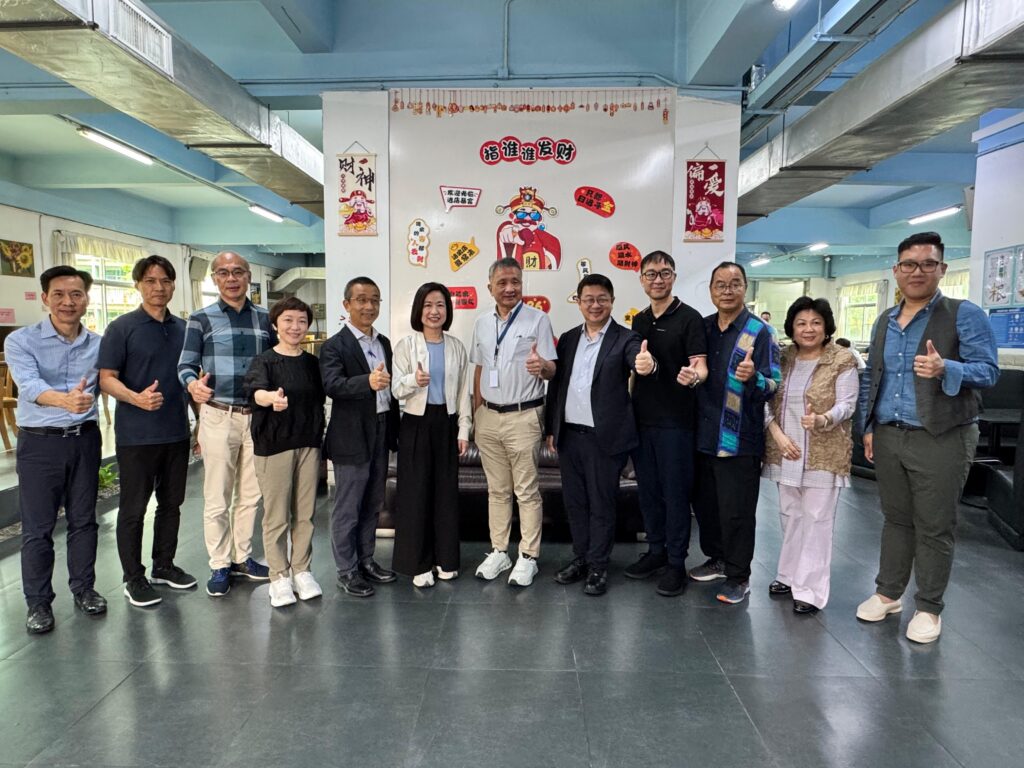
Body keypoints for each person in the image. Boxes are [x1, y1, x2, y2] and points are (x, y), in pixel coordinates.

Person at [856, 231, 999, 643]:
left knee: (935, 524)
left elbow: (989, 371)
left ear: (942, 269)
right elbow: (873, 377)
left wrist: (946, 369)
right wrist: (868, 427)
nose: (917, 271)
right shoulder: (885, 319)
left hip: (941, 435)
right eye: (909, 264)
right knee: (896, 519)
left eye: (927, 264)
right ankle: (888, 593)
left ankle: (929, 607)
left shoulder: (963, 314)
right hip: (889, 434)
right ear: (896, 270)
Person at [5, 265, 105, 633]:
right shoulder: (20, 341)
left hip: (84, 440)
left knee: (84, 520)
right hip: (39, 444)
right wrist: (64, 401)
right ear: (46, 298)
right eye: (59, 294)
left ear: (86, 299)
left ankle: (84, 589)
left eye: (76, 294)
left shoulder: (99, 344)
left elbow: (112, 380)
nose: (68, 302)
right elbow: (28, 385)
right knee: (37, 527)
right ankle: (38, 603)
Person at [545, 274, 654, 595]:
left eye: (602, 299)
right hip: (570, 437)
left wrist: (644, 363)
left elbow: (636, 358)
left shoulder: (626, 338)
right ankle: (581, 558)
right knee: (575, 504)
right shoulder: (568, 339)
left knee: (601, 504)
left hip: (604, 439)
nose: (595, 305)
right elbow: (557, 386)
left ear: (612, 301)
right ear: (578, 302)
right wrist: (552, 428)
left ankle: (598, 566)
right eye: (589, 299)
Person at [98, 255, 195, 608]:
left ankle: (163, 566)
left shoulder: (184, 329)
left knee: (172, 504)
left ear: (173, 285)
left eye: (166, 281)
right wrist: (135, 398)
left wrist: (200, 423)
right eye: (151, 281)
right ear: (138, 285)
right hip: (137, 436)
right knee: (134, 508)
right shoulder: (122, 328)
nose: (159, 287)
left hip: (176, 432)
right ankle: (133, 577)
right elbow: (106, 378)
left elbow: (193, 380)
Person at [177, 251, 275, 597]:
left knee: (250, 495)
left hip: (257, 417)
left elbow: (276, 361)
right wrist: (193, 384)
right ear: (214, 279)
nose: (231, 279)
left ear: (248, 277)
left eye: (237, 272)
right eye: (223, 273)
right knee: (217, 495)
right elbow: (185, 365)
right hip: (218, 415)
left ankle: (242, 558)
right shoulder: (200, 319)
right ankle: (219, 563)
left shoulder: (265, 318)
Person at [690, 261, 780, 604]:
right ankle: (718, 558)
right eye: (720, 284)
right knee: (707, 506)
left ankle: (739, 575)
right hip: (703, 434)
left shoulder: (760, 331)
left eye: (735, 283)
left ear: (745, 287)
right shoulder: (703, 327)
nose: (727, 290)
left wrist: (753, 377)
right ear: (711, 290)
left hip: (739, 438)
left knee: (737, 511)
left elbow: (773, 384)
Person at [763, 297, 858, 615]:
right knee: (790, 514)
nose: (808, 329)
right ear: (791, 327)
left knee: (817, 519)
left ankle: (811, 590)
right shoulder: (782, 357)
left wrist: (823, 419)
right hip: (786, 448)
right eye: (801, 323)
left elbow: (848, 404)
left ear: (826, 326)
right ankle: (788, 576)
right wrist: (776, 434)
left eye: (816, 323)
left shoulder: (841, 359)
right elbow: (764, 398)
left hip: (823, 450)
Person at [470, 256, 557, 586]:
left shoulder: (538, 320)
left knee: (526, 491)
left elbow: (552, 368)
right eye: (502, 282)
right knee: (497, 490)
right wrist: (477, 413)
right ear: (489, 287)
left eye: (515, 282)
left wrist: (542, 368)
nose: (510, 288)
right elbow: (479, 368)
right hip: (489, 416)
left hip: (524, 415)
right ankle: (499, 551)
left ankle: (528, 556)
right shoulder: (481, 323)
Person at [625, 251, 707, 597]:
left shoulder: (690, 318)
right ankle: (656, 551)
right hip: (643, 421)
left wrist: (694, 376)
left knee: (675, 494)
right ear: (641, 279)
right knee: (648, 492)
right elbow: (635, 371)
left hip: (676, 423)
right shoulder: (639, 320)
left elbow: (700, 366)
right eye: (651, 274)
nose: (657, 279)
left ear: (673, 277)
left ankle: (676, 563)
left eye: (664, 273)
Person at [244, 297, 326, 608]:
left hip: (308, 443)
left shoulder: (312, 363)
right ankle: (278, 576)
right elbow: (255, 392)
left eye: (302, 321)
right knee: (276, 515)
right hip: (274, 444)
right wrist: (271, 399)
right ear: (276, 324)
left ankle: (302, 570)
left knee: (305, 514)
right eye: (288, 320)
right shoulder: (264, 361)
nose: (295, 327)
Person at [321, 277, 400, 598]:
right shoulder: (334, 345)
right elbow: (332, 385)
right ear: (347, 305)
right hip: (350, 435)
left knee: (373, 502)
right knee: (348, 506)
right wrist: (367, 381)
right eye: (362, 300)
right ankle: (346, 570)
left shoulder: (384, 343)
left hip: (380, 429)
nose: (369, 306)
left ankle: (366, 560)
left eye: (375, 300)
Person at [391, 283, 472, 588]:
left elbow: (464, 392)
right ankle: (419, 563)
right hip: (415, 423)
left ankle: (445, 560)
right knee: (416, 494)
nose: (434, 311)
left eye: (440, 305)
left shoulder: (456, 347)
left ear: (447, 311)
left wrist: (464, 429)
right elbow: (395, 389)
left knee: (445, 494)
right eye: (428, 305)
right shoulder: (406, 346)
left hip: (446, 423)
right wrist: (414, 380)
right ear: (418, 310)